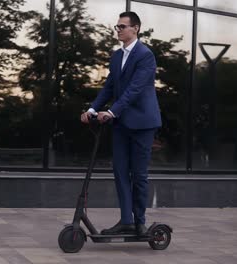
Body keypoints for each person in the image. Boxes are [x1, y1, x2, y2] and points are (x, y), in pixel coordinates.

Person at [80, 11, 161, 236]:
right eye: (117, 27)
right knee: (120, 172)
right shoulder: (116, 56)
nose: (119, 30)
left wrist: (112, 111)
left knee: (139, 174)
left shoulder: (146, 55)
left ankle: (140, 221)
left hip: (143, 123)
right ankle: (126, 220)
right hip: (121, 124)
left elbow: (134, 89)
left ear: (135, 28)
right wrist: (92, 109)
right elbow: (109, 87)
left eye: (123, 26)